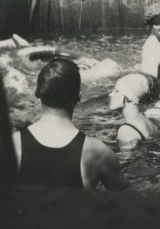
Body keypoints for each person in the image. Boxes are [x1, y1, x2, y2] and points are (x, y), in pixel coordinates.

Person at [11, 58, 128, 190]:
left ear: (37, 92)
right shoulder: (97, 153)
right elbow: (126, 205)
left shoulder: (12, 145)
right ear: (79, 96)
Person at [109, 73, 160, 147]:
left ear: (129, 98)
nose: (111, 94)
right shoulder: (149, 123)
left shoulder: (126, 131)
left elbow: (125, 158)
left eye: (116, 91)